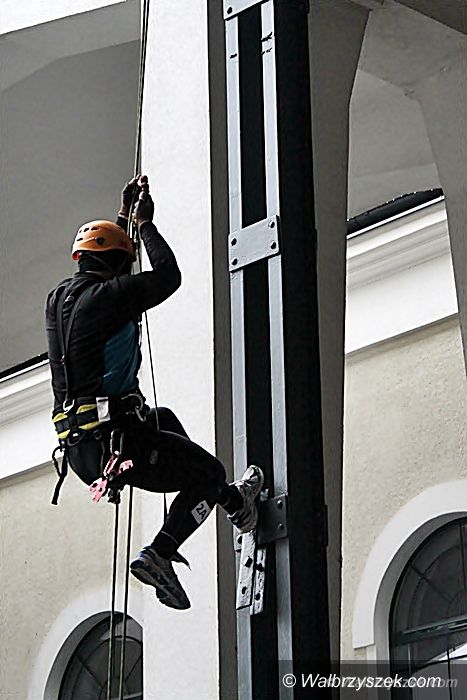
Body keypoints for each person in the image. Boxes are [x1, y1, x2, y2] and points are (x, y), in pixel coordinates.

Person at [46, 176, 264, 610]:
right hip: (119, 443)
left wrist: (122, 218)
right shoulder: (110, 297)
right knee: (208, 472)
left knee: (166, 422)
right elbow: (167, 276)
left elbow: (116, 288)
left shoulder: (58, 300)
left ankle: (235, 503)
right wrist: (145, 225)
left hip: (83, 448)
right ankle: (160, 553)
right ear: (115, 263)